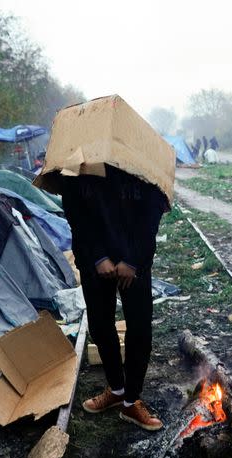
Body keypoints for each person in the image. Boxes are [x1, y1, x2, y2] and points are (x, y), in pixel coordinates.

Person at [61, 165, 169, 431]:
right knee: (100, 326)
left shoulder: (138, 159)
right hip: (93, 261)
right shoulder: (79, 163)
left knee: (140, 328)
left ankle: (131, 401)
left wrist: (133, 261)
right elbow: (76, 214)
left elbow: (152, 212)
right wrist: (98, 257)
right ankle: (117, 390)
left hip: (134, 261)